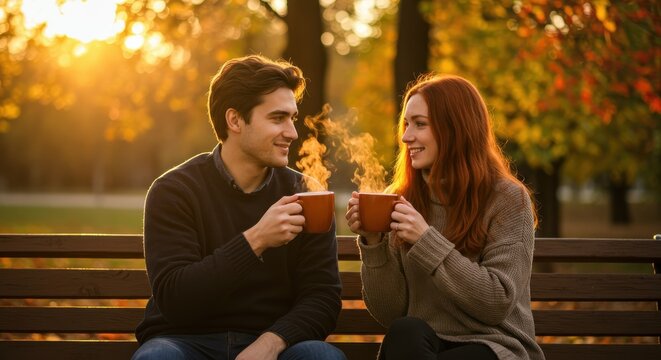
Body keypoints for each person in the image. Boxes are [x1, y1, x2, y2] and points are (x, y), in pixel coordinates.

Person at [132, 55, 345, 360]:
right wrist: (256, 239)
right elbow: (176, 300)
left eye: (292, 118)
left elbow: (322, 297)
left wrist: (269, 345)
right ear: (235, 120)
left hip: (275, 344)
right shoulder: (175, 191)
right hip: (185, 342)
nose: (292, 132)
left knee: (321, 358)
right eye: (277, 118)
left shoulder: (306, 193)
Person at [345, 74, 545, 360]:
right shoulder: (401, 198)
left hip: (493, 347)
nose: (405, 136)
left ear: (456, 129)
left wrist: (425, 239)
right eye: (406, 124)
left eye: (420, 124)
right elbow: (389, 313)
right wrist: (373, 242)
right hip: (424, 346)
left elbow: (495, 302)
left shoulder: (507, 199)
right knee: (404, 331)